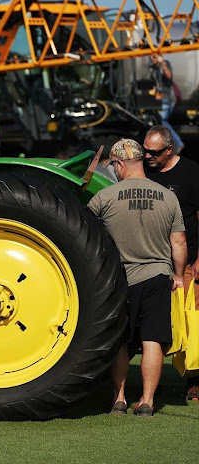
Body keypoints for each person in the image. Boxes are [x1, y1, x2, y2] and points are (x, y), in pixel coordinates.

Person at [87, 138, 187, 417]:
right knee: (152, 340)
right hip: (157, 276)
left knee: (119, 341)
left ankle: (119, 399)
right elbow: (178, 242)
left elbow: (83, 232)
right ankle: (147, 402)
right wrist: (178, 276)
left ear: (119, 164)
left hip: (120, 279)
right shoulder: (168, 196)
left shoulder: (105, 198)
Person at [143, 125, 199, 400]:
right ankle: (154, 382)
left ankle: (194, 380)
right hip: (154, 260)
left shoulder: (191, 172)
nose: (148, 156)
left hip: (187, 262)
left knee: (191, 322)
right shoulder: (145, 172)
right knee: (158, 323)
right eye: (145, 151)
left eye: (153, 152)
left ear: (169, 149)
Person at [149, 53, 184, 153]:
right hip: (159, 99)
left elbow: (169, 76)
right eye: (151, 57)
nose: (152, 59)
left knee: (162, 120)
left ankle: (177, 142)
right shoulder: (153, 68)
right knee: (160, 123)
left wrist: (162, 63)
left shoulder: (165, 64)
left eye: (154, 57)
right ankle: (166, 146)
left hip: (167, 98)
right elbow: (154, 84)